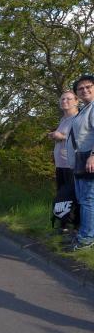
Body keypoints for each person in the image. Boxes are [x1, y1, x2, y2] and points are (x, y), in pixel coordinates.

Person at [69, 75, 94, 250]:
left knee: (88, 199)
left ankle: (86, 239)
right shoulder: (85, 109)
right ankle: (86, 233)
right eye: (80, 88)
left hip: (89, 158)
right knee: (83, 198)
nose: (85, 90)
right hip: (80, 159)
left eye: (88, 86)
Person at [48, 90, 79, 230]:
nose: (64, 101)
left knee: (71, 196)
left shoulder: (78, 118)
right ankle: (64, 225)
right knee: (62, 196)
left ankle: (75, 226)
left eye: (68, 99)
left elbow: (82, 139)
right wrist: (54, 136)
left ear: (76, 101)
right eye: (62, 99)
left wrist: (62, 137)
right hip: (60, 164)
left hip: (72, 164)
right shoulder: (63, 119)